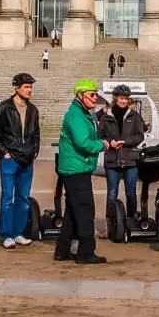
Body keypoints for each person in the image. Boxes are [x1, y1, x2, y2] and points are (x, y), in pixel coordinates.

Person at [55, 79, 110, 265]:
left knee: (72, 210)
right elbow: (83, 143)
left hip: (75, 167)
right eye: (92, 95)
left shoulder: (80, 113)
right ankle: (86, 252)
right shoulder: (77, 116)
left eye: (95, 94)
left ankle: (62, 250)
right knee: (86, 209)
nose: (95, 98)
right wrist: (103, 144)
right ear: (80, 95)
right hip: (76, 168)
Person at [0, 72, 41, 249]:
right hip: (10, 159)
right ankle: (6, 235)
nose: (29, 90)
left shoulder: (33, 110)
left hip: (27, 159)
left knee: (23, 198)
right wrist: (4, 153)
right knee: (7, 198)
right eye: (26, 87)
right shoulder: (3, 108)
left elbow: (36, 134)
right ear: (16, 88)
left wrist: (35, 151)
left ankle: (18, 232)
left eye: (31, 87)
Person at [98, 84, 145, 210]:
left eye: (126, 98)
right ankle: (112, 222)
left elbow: (139, 136)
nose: (124, 101)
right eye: (121, 98)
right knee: (112, 194)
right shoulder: (106, 117)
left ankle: (131, 219)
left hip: (130, 160)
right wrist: (109, 142)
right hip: (112, 160)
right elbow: (99, 135)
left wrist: (125, 142)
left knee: (131, 194)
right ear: (115, 98)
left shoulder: (134, 116)